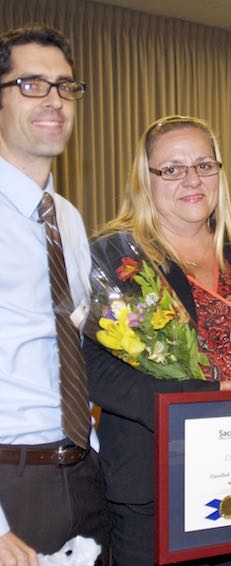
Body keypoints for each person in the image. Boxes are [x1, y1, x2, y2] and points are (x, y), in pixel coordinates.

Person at [84, 115, 231, 565]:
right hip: (155, 481)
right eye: (172, 168)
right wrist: (193, 401)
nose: (191, 179)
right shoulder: (117, 255)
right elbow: (91, 366)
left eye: (204, 165)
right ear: (145, 179)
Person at [0, 24, 109, 565]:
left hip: (82, 471)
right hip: (11, 482)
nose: (55, 101)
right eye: (31, 85)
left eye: (66, 87)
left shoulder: (66, 217)